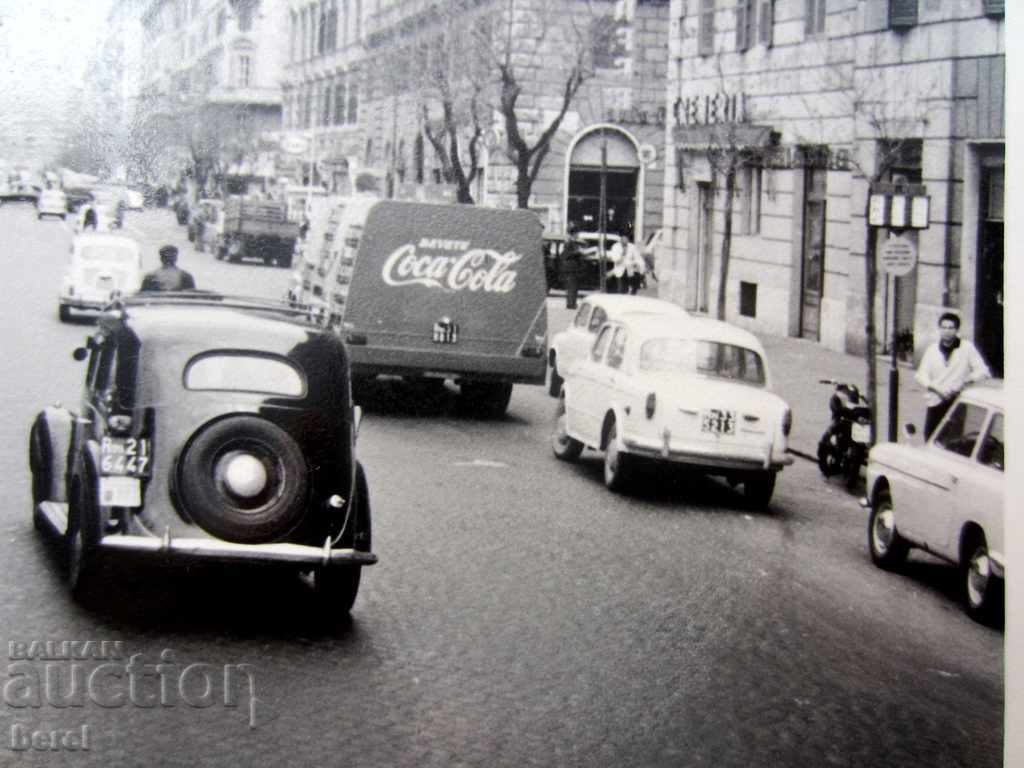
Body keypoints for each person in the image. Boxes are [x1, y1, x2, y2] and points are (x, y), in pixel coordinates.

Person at [914, 312, 991, 438]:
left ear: (957, 330)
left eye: (951, 328)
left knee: (952, 440)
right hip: (935, 401)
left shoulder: (967, 348)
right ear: (939, 329)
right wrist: (936, 388)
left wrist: (965, 381)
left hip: (957, 402)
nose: (947, 331)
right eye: (943, 327)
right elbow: (921, 375)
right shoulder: (932, 349)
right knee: (930, 437)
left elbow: (983, 371)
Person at [563, 225, 583, 309]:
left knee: (572, 286)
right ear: (574, 233)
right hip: (571, 267)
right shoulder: (570, 242)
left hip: (570, 267)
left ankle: (571, 303)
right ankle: (571, 304)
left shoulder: (570, 241)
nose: (578, 234)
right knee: (572, 286)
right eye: (577, 233)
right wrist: (579, 252)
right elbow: (569, 254)